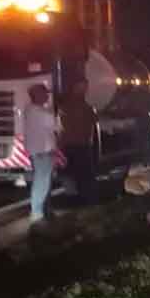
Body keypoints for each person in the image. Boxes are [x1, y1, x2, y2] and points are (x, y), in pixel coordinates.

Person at [59, 79, 98, 204]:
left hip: (72, 143)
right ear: (75, 88)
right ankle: (84, 197)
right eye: (82, 87)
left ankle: (72, 196)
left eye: (85, 87)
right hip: (80, 144)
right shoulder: (83, 106)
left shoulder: (66, 105)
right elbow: (93, 120)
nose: (84, 90)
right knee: (83, 172)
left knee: (70, 171)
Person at [24, 83, 58, 222]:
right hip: (43, 151)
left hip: (38, 151)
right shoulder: (40, 112)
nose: (47, 96)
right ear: (37, 95)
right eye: (44, 94)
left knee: (42, 181)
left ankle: (40, 209)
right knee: (42, 182)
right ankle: (36, 211)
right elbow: (57, 126)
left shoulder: (30, 110)